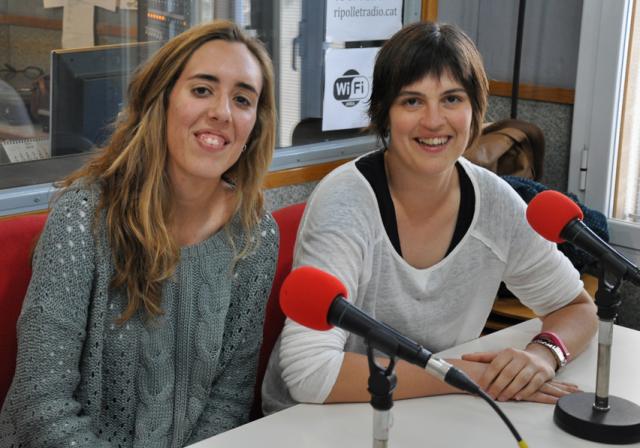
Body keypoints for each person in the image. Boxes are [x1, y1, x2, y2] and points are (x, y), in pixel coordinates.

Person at [262, 21, 597, 413]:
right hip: (317, 416)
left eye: (452, 99)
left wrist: (546, 352)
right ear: (384, 113)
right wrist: (469, 377)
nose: (434, 121)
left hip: (428, 406)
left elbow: (576, 308)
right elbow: (309, 373)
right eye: (412, 101)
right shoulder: (345, 201)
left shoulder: (497, 203)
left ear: (475, 110)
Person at [0, 20, 278, 447]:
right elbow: (40, 406)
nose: (222, 112)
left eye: (242, 99)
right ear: (160, 100)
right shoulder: (84, 218)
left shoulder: (255, 236)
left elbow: (228, 400)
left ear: (255, 124)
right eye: (202, 89)